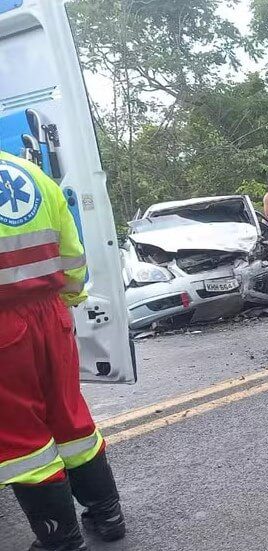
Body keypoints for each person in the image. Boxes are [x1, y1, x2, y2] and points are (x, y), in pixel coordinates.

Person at [0, 151, 126, 550]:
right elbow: (71, 252)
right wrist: (67, 300)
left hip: (4, 324)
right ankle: (107, 513)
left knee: (22, 437)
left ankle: (61, 538)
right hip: (52, 314)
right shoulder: (30, 172)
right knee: (68, 414)